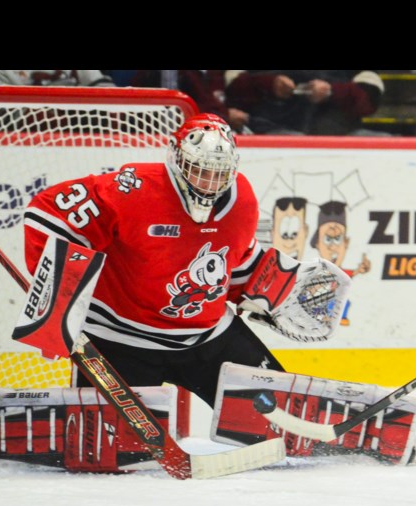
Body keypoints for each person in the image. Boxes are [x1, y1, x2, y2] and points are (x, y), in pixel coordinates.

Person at [22, 113, 286, 407]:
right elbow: (47, 216)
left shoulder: (242, 200)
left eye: (219, 173)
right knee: (111, 449)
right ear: (176, 158)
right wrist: (55, 307)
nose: (210, 183)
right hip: (119, 340)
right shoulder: (132, 189)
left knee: (279, 421)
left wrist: (266, 295)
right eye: (199, 169)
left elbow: (234, 259)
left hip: (209, 337)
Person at [225, 70, 384, 136]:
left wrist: (332, 92)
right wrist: (268, 84)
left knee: (383, 142)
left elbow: (369, 99)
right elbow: (230, 90)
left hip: (338, 134)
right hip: (269, 133)